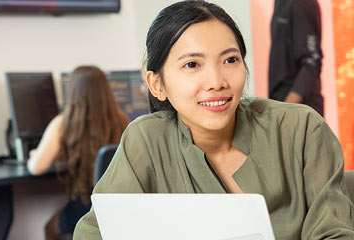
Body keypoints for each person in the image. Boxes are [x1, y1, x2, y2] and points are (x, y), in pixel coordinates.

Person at [74, 1, 354, 239]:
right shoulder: (146, 140)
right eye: (192, 65)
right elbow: (94, 233)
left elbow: (334, 233)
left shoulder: (301, 129)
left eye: (230, 60)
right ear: (157, 83)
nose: (217, 81)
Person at [27, 65, 129, 240]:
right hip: (116, 208)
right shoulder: (121, 120)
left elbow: (37, 168)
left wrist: (34, 155)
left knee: (50, 228)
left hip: (85, 206)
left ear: (72, 92)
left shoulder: (63, 122)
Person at [268, 0, 324, 116]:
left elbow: (311, 62)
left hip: (300, 111)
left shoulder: (303, 3)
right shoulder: (280, 3)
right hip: (282, 106)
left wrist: (287, 108)